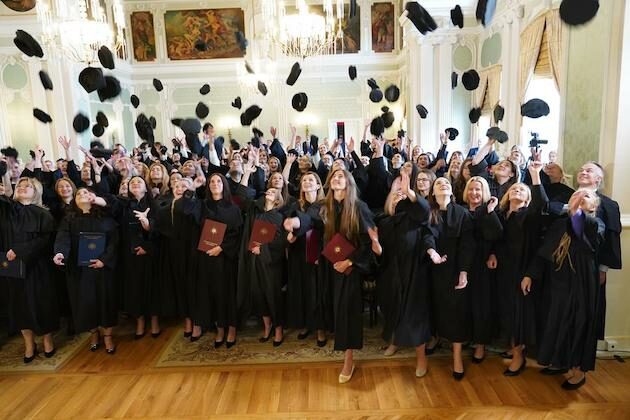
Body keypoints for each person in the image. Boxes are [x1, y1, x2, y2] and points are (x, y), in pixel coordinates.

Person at [285, 169, 374, 384]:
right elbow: (308, 220)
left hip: (349, 268)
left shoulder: (359, 208)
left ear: (349, 182)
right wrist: (295, 224)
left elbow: (368, 241)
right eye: (333, 176)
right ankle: (338, 345)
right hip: (327, 265)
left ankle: (348, 360)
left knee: (347, 312)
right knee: (328, 306)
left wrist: (351, 261)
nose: (336, 178)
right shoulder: (324, 207)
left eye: (341, 176)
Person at [523, 189, 604, 390]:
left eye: (586, 196)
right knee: (556, 322)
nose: (579, 198)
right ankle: (560, 362)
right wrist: (529, 275)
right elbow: (544, 253)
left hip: (581, 284)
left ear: (593, 206)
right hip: (557, 283)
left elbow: (579, 229)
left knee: (578, 323)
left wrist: (576, 210)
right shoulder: (559, 224)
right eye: (576, 195)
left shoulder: (595, 224)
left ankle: (578, 371)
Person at [373, 172, 432, 378]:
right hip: (390, 272)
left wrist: (409, 193)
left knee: (415, 315)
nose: (399, 195)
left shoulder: (415, 217)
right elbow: (380, 251)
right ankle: (394, 342)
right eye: (396, 193)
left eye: (403, 193)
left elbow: (424, 212)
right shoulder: (383, 220)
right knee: (391, 309)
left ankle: (421, 357)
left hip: (414, 271)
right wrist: (377, 247)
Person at [495, 161, 548, 376]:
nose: (516, 190)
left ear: (527, 198)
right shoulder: (502, 215)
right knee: (507, 310)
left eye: (522, 190)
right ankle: (512, 347)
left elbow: (541, 203)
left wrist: (535, 175)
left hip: (523, 271)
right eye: (513, 189)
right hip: (504, 272)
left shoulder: (530, 215)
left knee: (519, 314)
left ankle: (519, 356)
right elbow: (496, 241)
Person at [53, 188, 118, 354]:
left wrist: (104, 260)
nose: (82, 195)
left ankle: (108, 336)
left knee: (105, 302)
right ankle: (93, 334)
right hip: (79, 269)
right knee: (85, 303)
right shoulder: (69, 219)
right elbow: (63, 238)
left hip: (102, 269)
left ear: (93, 197)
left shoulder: (105, 218)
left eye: (86, 193)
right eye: (78, 194)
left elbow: (114, 241)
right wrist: (60, 253)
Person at [0, 177, 58, 363]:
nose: (23, 188)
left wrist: (19, 251)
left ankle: (48, 340)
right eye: (20, 186)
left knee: (41, 304)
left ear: (36, 192)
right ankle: (29, 344)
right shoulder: (7, 211)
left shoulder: (43, 214)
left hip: (37, 267)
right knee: (19, 306)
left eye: (28, 186)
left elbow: (45, 241)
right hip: (11, 267)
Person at [180, 173, 242, 347]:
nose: (215, 184)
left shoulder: (233, 208)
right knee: (211, 293)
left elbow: (236, 233)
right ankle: (219, 328)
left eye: (218, 181)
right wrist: (192, 187)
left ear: (224, 185)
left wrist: (221, 248)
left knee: (226, 293)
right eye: (211, 181)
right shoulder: (202, 205)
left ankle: (231, 328)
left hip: (225, 258)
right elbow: (186, 210)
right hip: (205, 257)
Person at [426, 177, 474, 380]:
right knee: (432, 306)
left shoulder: (462, 213)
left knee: (455, 312)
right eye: (438, 184)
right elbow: (426, 235)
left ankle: (456, 357)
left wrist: (463, 271)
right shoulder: (428, 212)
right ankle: (435, 338)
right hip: (432, 267)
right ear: (433, 192)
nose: (443, 185)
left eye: (446, 183)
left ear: (451, 190)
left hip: (454, 268)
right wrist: (432, 252)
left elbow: (467, 244)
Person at [237, 185, 287, 346]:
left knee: (273, 295)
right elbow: (244, 196)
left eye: (273, 192)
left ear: (279, 199)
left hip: (271, 262)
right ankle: (267, 326)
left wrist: (263, 248)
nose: (269, 193)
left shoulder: (279, 217)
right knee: (257, 293)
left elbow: (280, 241)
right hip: (254, 259)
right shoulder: (255, 213)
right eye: (268, 191)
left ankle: (278, 328)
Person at [461, 176, 503, 362]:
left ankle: (480, 345)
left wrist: (490, 212)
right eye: (471, 189)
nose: (474, 193)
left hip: (482, 262)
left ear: (484, 192)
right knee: (464, 303)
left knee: (481, 305)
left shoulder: (490, 211)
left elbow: (497, 235)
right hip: (463, 263)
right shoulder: (460, 211)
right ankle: (466, 336)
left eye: (478, 189)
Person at [282, 172, 326, 345]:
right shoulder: (295, 205)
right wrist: (290, 236)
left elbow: (323, 226)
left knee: (316, 291)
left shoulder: (324, 205)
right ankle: (307, 324)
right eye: (304, 180)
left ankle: (320, 328)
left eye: (311, 180)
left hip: (318, 253)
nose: (307, 182)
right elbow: (288, 227)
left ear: (318, 185)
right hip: (299, 253)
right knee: (302, 290)